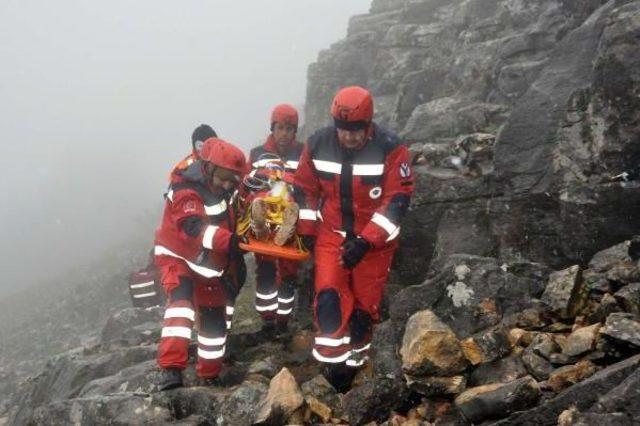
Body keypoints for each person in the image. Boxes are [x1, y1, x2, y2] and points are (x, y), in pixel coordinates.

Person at [293, 86, 415, 391]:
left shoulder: (391, 148)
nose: (348, 137)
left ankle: (356, 363)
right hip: (331, 234)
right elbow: (305, 189)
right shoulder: (318, 144)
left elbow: (397, 201)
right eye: (343, 129)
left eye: (355, 130)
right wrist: (307, 233)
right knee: (329, 297)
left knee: (364, 308)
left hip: (375, 242)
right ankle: (333, 365)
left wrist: (366, 241)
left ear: (368, 124)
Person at [154, 137, 247, 390]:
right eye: (223, 178)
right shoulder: (186, 189)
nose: (226, 185)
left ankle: (210, 374)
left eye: (232, 180)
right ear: (208, 168)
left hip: (207, 266)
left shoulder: (226, 188)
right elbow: (193, 228)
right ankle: (171, 371)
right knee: (181, 306)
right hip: (178, 257)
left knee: (214, 322)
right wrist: (233, 243)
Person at [245, 104, 305, 337]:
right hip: (267, 210)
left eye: (290, 129)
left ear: (295, 131)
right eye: (280, 128)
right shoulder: (257, 154)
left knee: (289, 270)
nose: (284, 134)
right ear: (272, 128)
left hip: (290, 214)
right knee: (266, 267)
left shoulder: (303, 153)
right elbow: (248, 183)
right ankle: (267, 321)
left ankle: (283, 320)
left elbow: (308, 183)